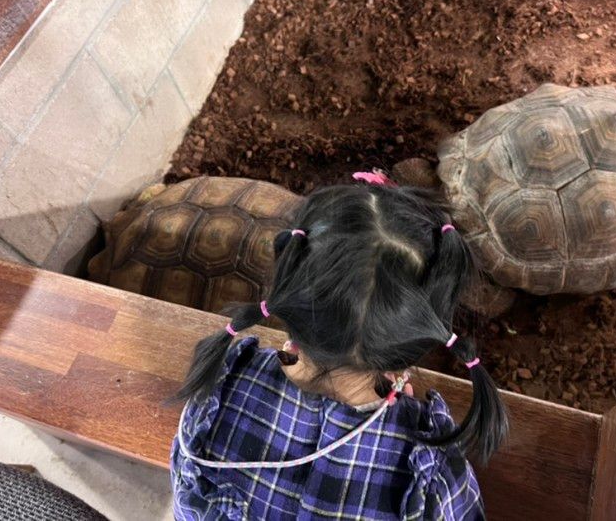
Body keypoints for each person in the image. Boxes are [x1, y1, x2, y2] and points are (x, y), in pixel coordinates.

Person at [170, 175, 508, 520]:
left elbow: (188, 503)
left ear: (288, 283)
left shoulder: (217, 391)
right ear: (420, 336)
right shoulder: (429, 472)